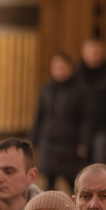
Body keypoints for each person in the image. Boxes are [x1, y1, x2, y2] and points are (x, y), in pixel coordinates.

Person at [31, 52, 86, 191]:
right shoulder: (46, 90)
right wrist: (33, 139)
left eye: (62, 67)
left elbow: (84, 119)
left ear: (70, 68)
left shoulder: (79, 91)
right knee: (49, 183)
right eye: (55, 67)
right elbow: (39, 116)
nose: (58, 71)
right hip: (49, 142)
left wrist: (83, 142)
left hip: (69, 143)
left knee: (74, 183)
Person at [72, 39, 106, 164]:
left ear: (102, 54)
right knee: (82, 160)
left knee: (100, 159)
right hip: (79, 125)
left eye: (96, 52)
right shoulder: (76, 75)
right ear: (83, 53)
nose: (93, 55)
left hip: (103, 125)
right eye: (90, 52)